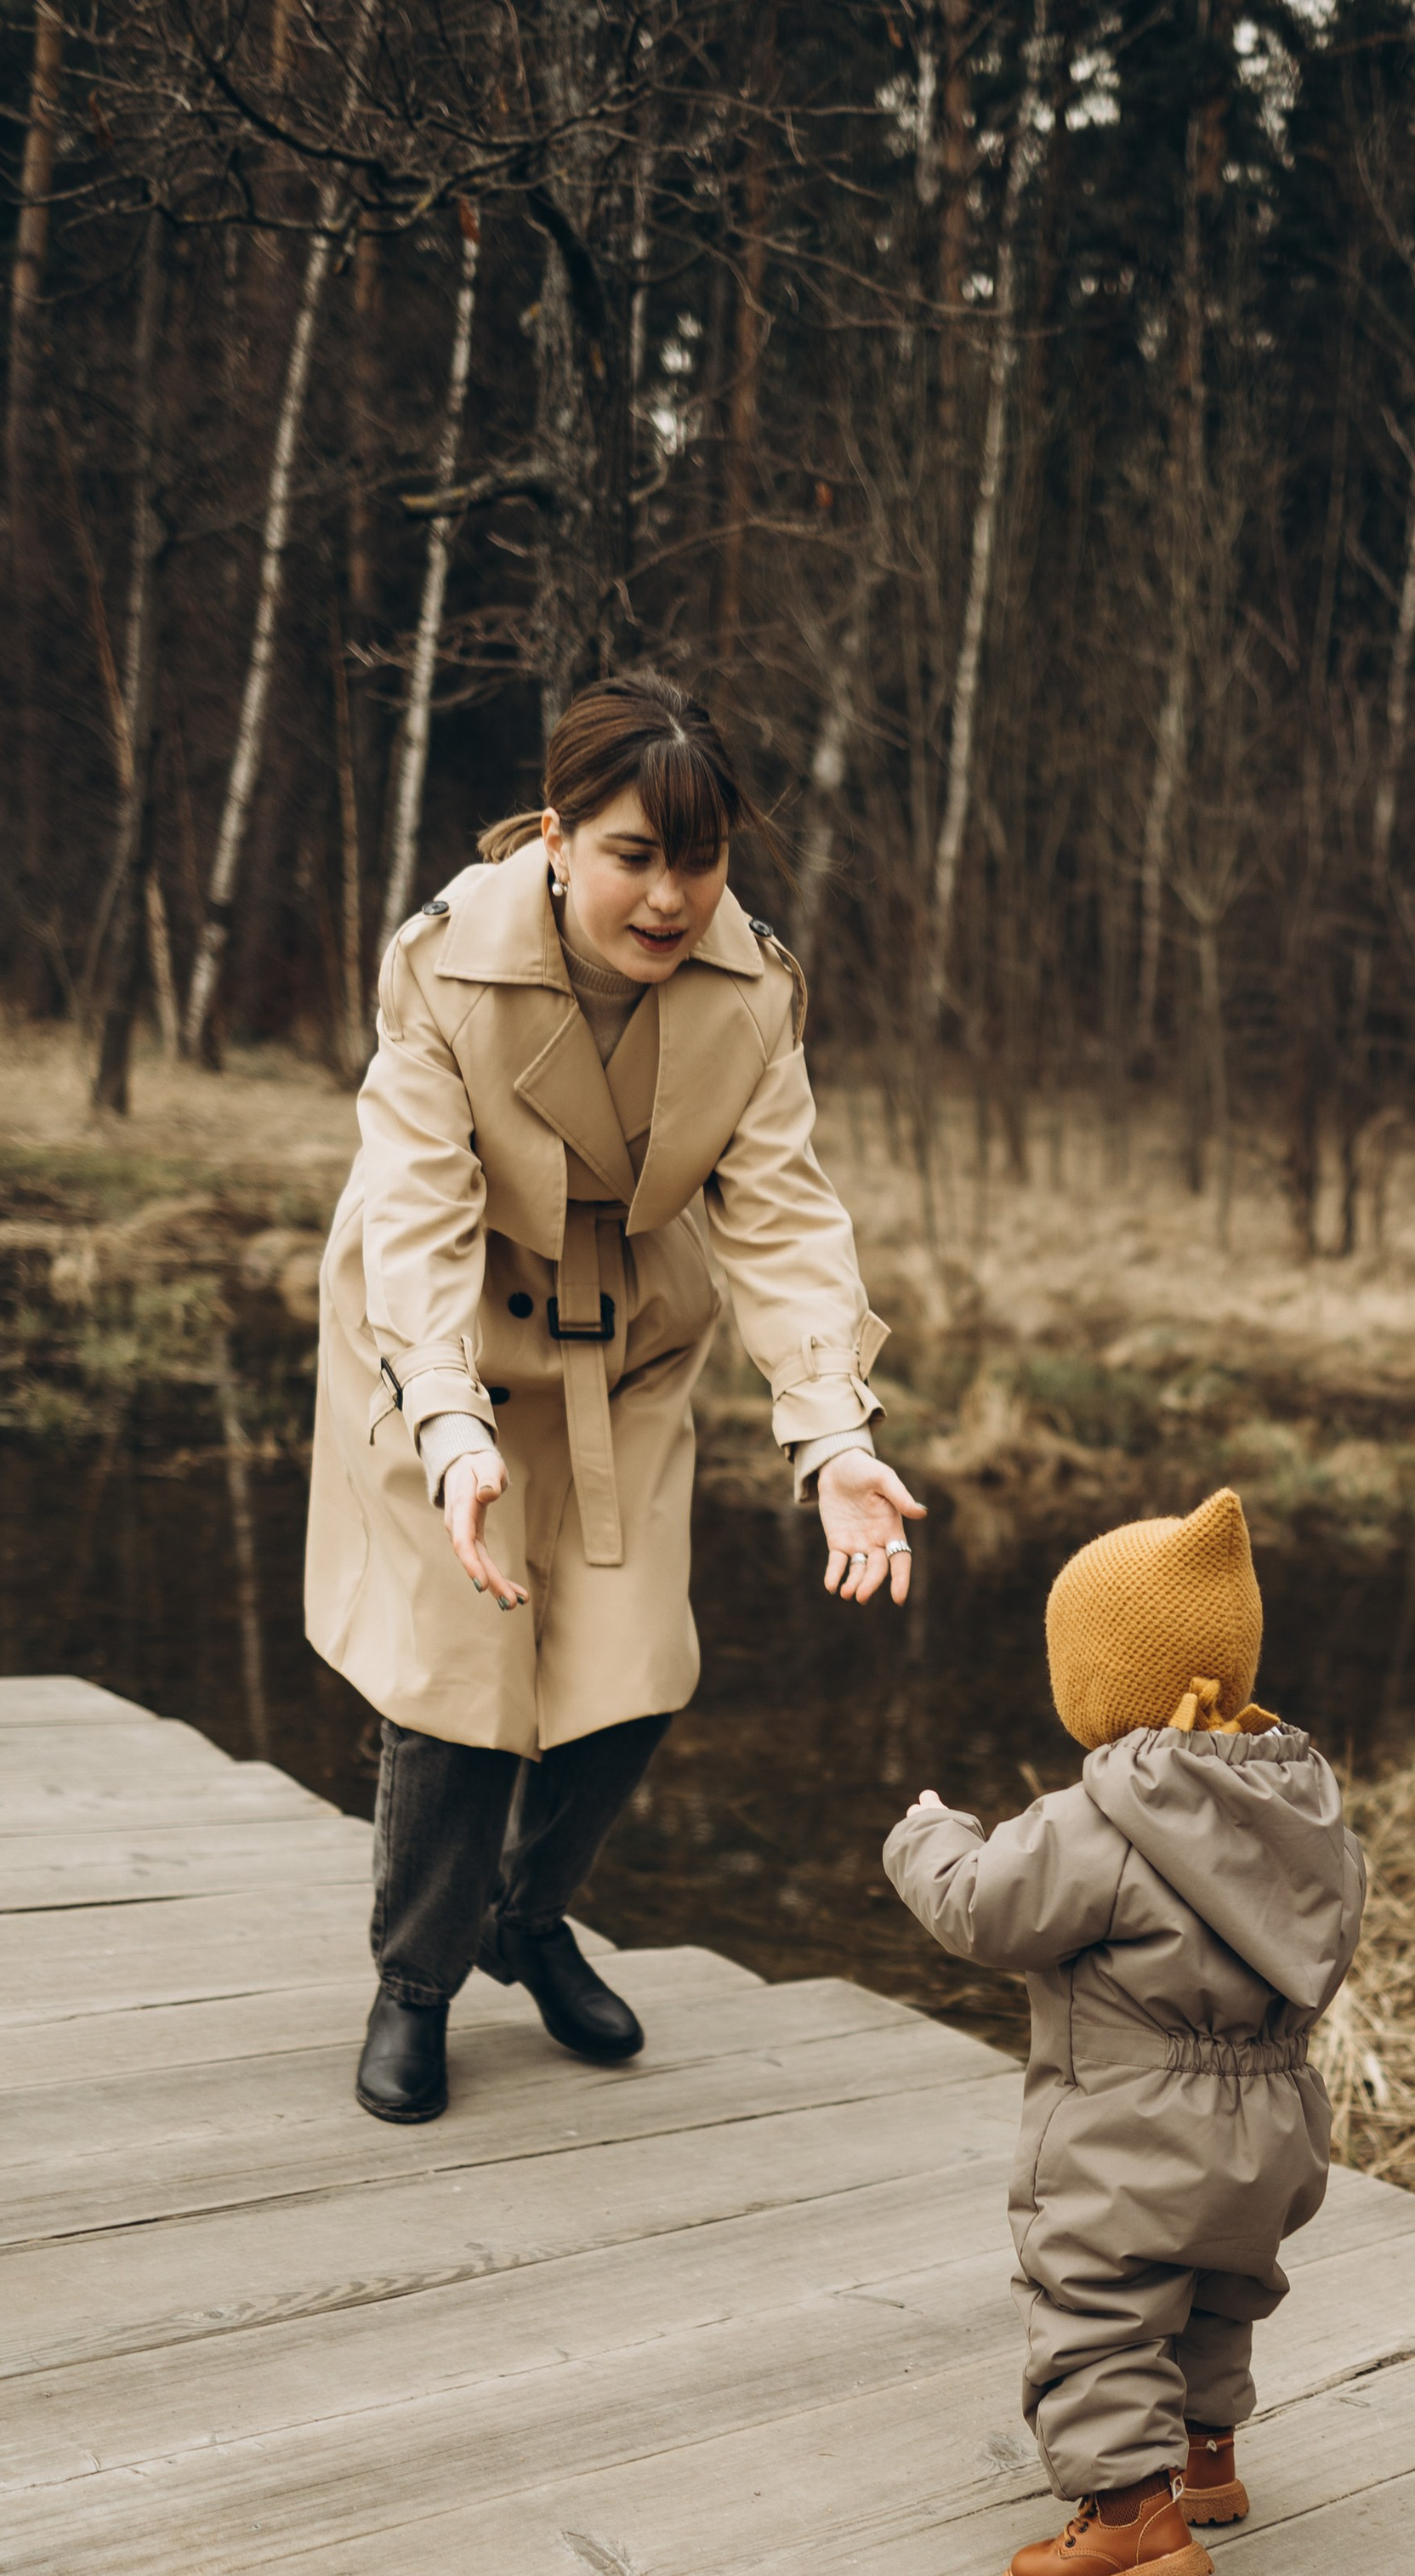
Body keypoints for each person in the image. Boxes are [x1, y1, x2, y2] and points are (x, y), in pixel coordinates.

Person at [306, 674, 922, 2125]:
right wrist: (450, 1430)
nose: (670, 899)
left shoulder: (754, 990)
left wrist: (833, 1433)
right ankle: (419, 1980)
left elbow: (779, 1216)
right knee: (459, 1693)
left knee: (635, 1673)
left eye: (699, 861)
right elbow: (416, 1208)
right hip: (435, 1338)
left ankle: (527, 1918)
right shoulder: (446, 964)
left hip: (623, 1343)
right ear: (561, 834)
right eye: (637, 855)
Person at [883, 1487, 1366, 2576]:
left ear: (1098, 1679)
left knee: (1099, 2301)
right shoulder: (1307, 1809)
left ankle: (1124, 2519)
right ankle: (1206, 2464)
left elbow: (981, 1915)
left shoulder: (1098, 1820)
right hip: (1278, 2122)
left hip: (1130, 2127)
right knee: (1213, 2291)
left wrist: (929, 1832)